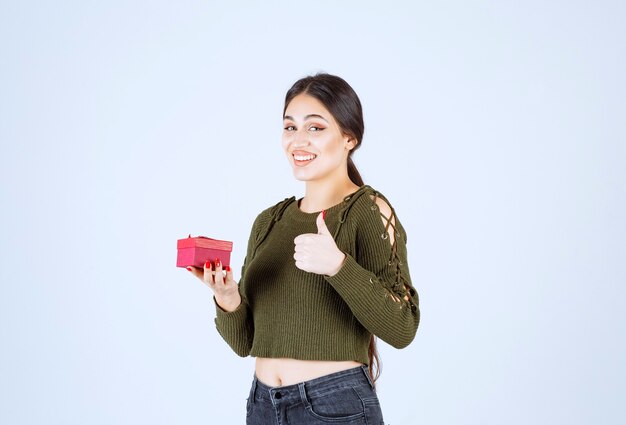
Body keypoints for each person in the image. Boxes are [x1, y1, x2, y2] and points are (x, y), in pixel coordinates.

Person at [187, 73, 420, 424]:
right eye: (290, 127)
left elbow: (403, 327)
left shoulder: (368, 210)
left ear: (349, 138)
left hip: (335, 406)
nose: (298, 140)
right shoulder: (269, 221)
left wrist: (339, 266)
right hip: (263, 405)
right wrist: (228, 298)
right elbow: (245, 343)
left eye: (315, 128)